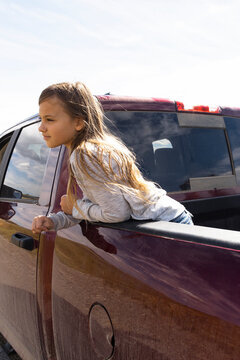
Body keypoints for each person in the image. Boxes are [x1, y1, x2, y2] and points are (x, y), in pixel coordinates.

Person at [32, 82, 193, 234]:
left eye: (49, 119)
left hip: (168, 224)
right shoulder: (91, 150)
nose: (41, 127)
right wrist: (56, 221)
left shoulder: (85, 155)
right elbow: (97, 206)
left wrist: (75, 207)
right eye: (41, 119)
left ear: (79, 123)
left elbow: (116, 214)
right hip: (171, 219)